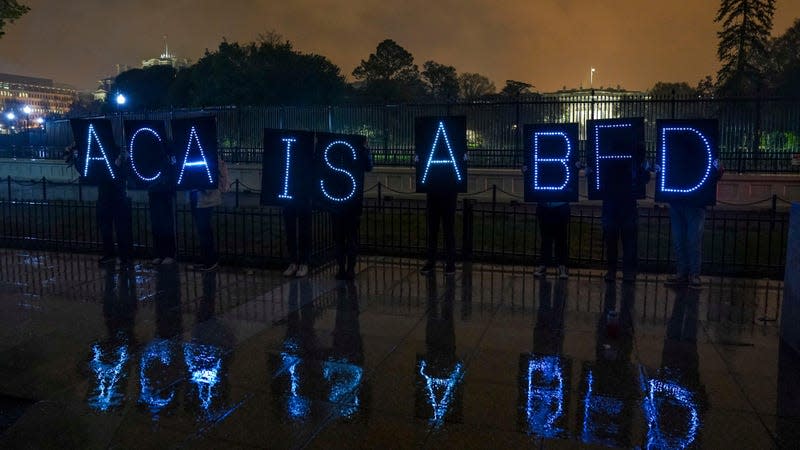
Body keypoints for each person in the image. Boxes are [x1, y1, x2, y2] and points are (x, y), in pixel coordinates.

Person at [66, 142, 133, 267]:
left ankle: (124, 257)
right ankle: (113, 255)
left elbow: (124, 174)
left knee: (120, 229)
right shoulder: (104, 160)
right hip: (106, 196)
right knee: (107, 228)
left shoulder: (119, 156)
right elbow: (86, 170)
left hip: (116, 197)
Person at [665, 159, 724, 288]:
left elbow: (717, 171)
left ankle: (692, 274)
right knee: (680, 239)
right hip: (682, 201)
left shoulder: (698, 151)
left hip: (692, 202)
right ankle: (685, 273)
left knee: (692, 239)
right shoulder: (685, 148)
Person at [598, 145, 651, 283]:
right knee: (625, 242)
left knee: (617, 241)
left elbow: (644, 177)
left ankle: (615, 272)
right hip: (624, 206)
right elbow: (644, 178)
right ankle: (626, 272)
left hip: (615, 206)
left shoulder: (607, 159)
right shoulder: (631, 161)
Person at [332, 144, 373, 280]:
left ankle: (346, 268)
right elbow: (369, 167)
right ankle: (346, 268)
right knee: (346, 238)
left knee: (345, 238)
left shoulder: (336, 153)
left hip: (341, 201)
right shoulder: (354, 152)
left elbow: (368, 167)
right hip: (349, 202)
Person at [189, 155, 228, 272]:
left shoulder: (212, 156)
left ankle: (210, 260)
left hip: (206, 197)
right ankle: (206, 258)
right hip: (196, 195)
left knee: (204, 229)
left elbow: (221, 172)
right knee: (202, 229)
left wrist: (211, 187)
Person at [148, 154, 177, 266]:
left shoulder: (166, 152)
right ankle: (159, 253)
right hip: (154, 190)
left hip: (164, 191)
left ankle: (169, 253)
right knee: (156, 223)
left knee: (166, 223)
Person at [533, 201, 571, 279]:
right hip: (548, 206)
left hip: (558, 206)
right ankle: (546, 265)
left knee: (560, 239)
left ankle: (561, 266)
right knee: (547, 239)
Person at [282, 202, 312, 278]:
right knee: (290, 232)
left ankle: (304, 263)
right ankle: (294, 262)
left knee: (304, 233)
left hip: (302, 200)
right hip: (289, 201)